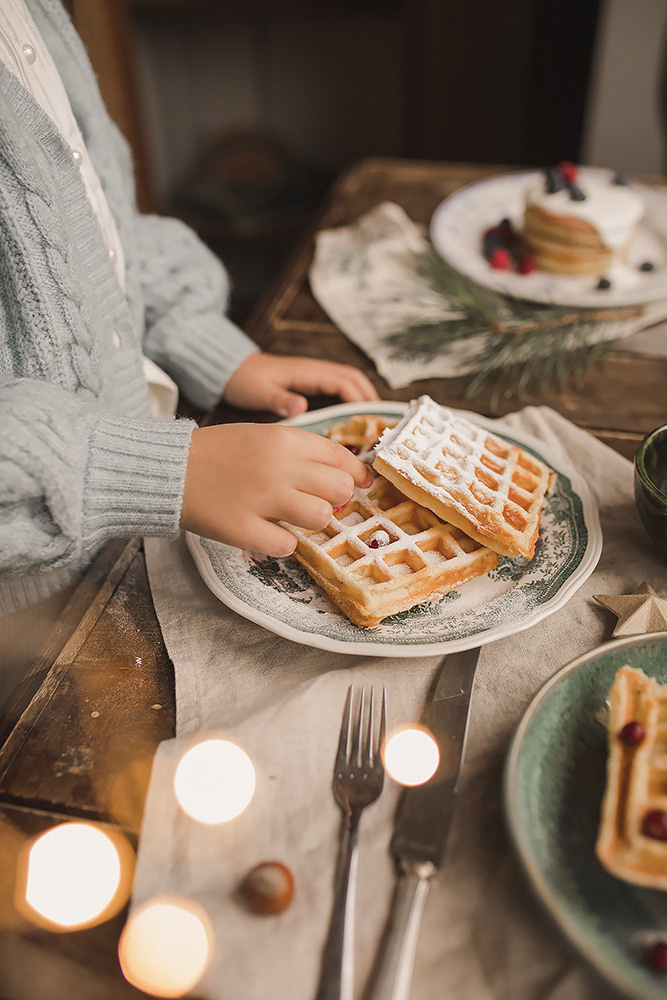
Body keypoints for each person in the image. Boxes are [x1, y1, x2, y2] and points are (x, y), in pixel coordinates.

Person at [0, 1, 378, 661]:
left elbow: (94, 228)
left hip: (134, 533)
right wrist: (160, 471)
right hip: (22, 615)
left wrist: (201, 339)